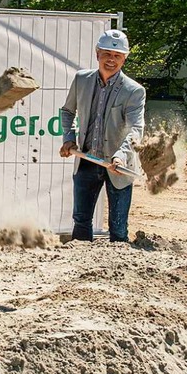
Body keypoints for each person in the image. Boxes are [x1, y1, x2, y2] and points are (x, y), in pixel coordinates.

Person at [59, 29, 145, 242]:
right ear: (97, 54)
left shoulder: (134, 91)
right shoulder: (82, 80)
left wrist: (121, 155)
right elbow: (67, 111)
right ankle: (79, 266)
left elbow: (135, 129)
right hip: (87, 159)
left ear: (124, 59)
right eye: (107, 54)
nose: (111, 60)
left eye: (117, 56)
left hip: (119, 166)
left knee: (117, 228)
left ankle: (118, 271)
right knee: (81, 220)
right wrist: (68, 138)